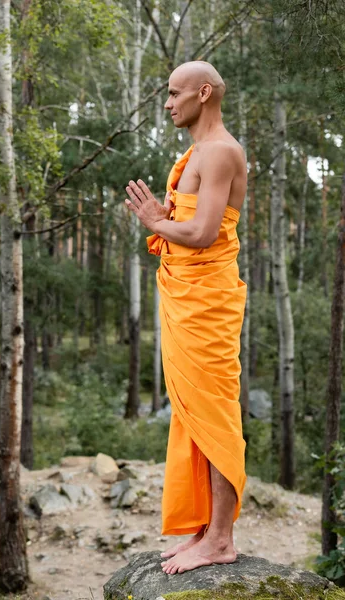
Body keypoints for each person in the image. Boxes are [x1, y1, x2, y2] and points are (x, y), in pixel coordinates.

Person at [124, 61, 247, 575]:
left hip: (207, 299)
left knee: (214, 412)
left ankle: (221, 539)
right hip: (186, 294)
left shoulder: (220, 151)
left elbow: (201, 233)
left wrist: (156, 221)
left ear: (203, 93)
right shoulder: (197, 151)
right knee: (191, 407)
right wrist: (161, 218)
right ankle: (202, 527)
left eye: (175, 94)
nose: (169, 104)